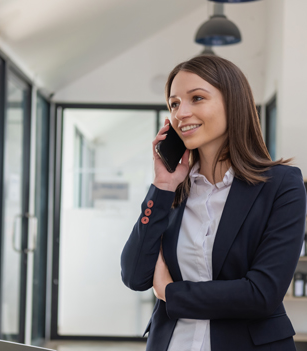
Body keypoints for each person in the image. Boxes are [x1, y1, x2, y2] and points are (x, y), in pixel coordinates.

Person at [120, 55, 307, 351]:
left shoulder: (282, 185)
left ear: (233, 102)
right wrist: (163, 186)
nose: (182, 112)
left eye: (197, 98)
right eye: (174, 104)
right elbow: (134, 276)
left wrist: (171, 292)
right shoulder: (172, 189)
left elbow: (261, 293)